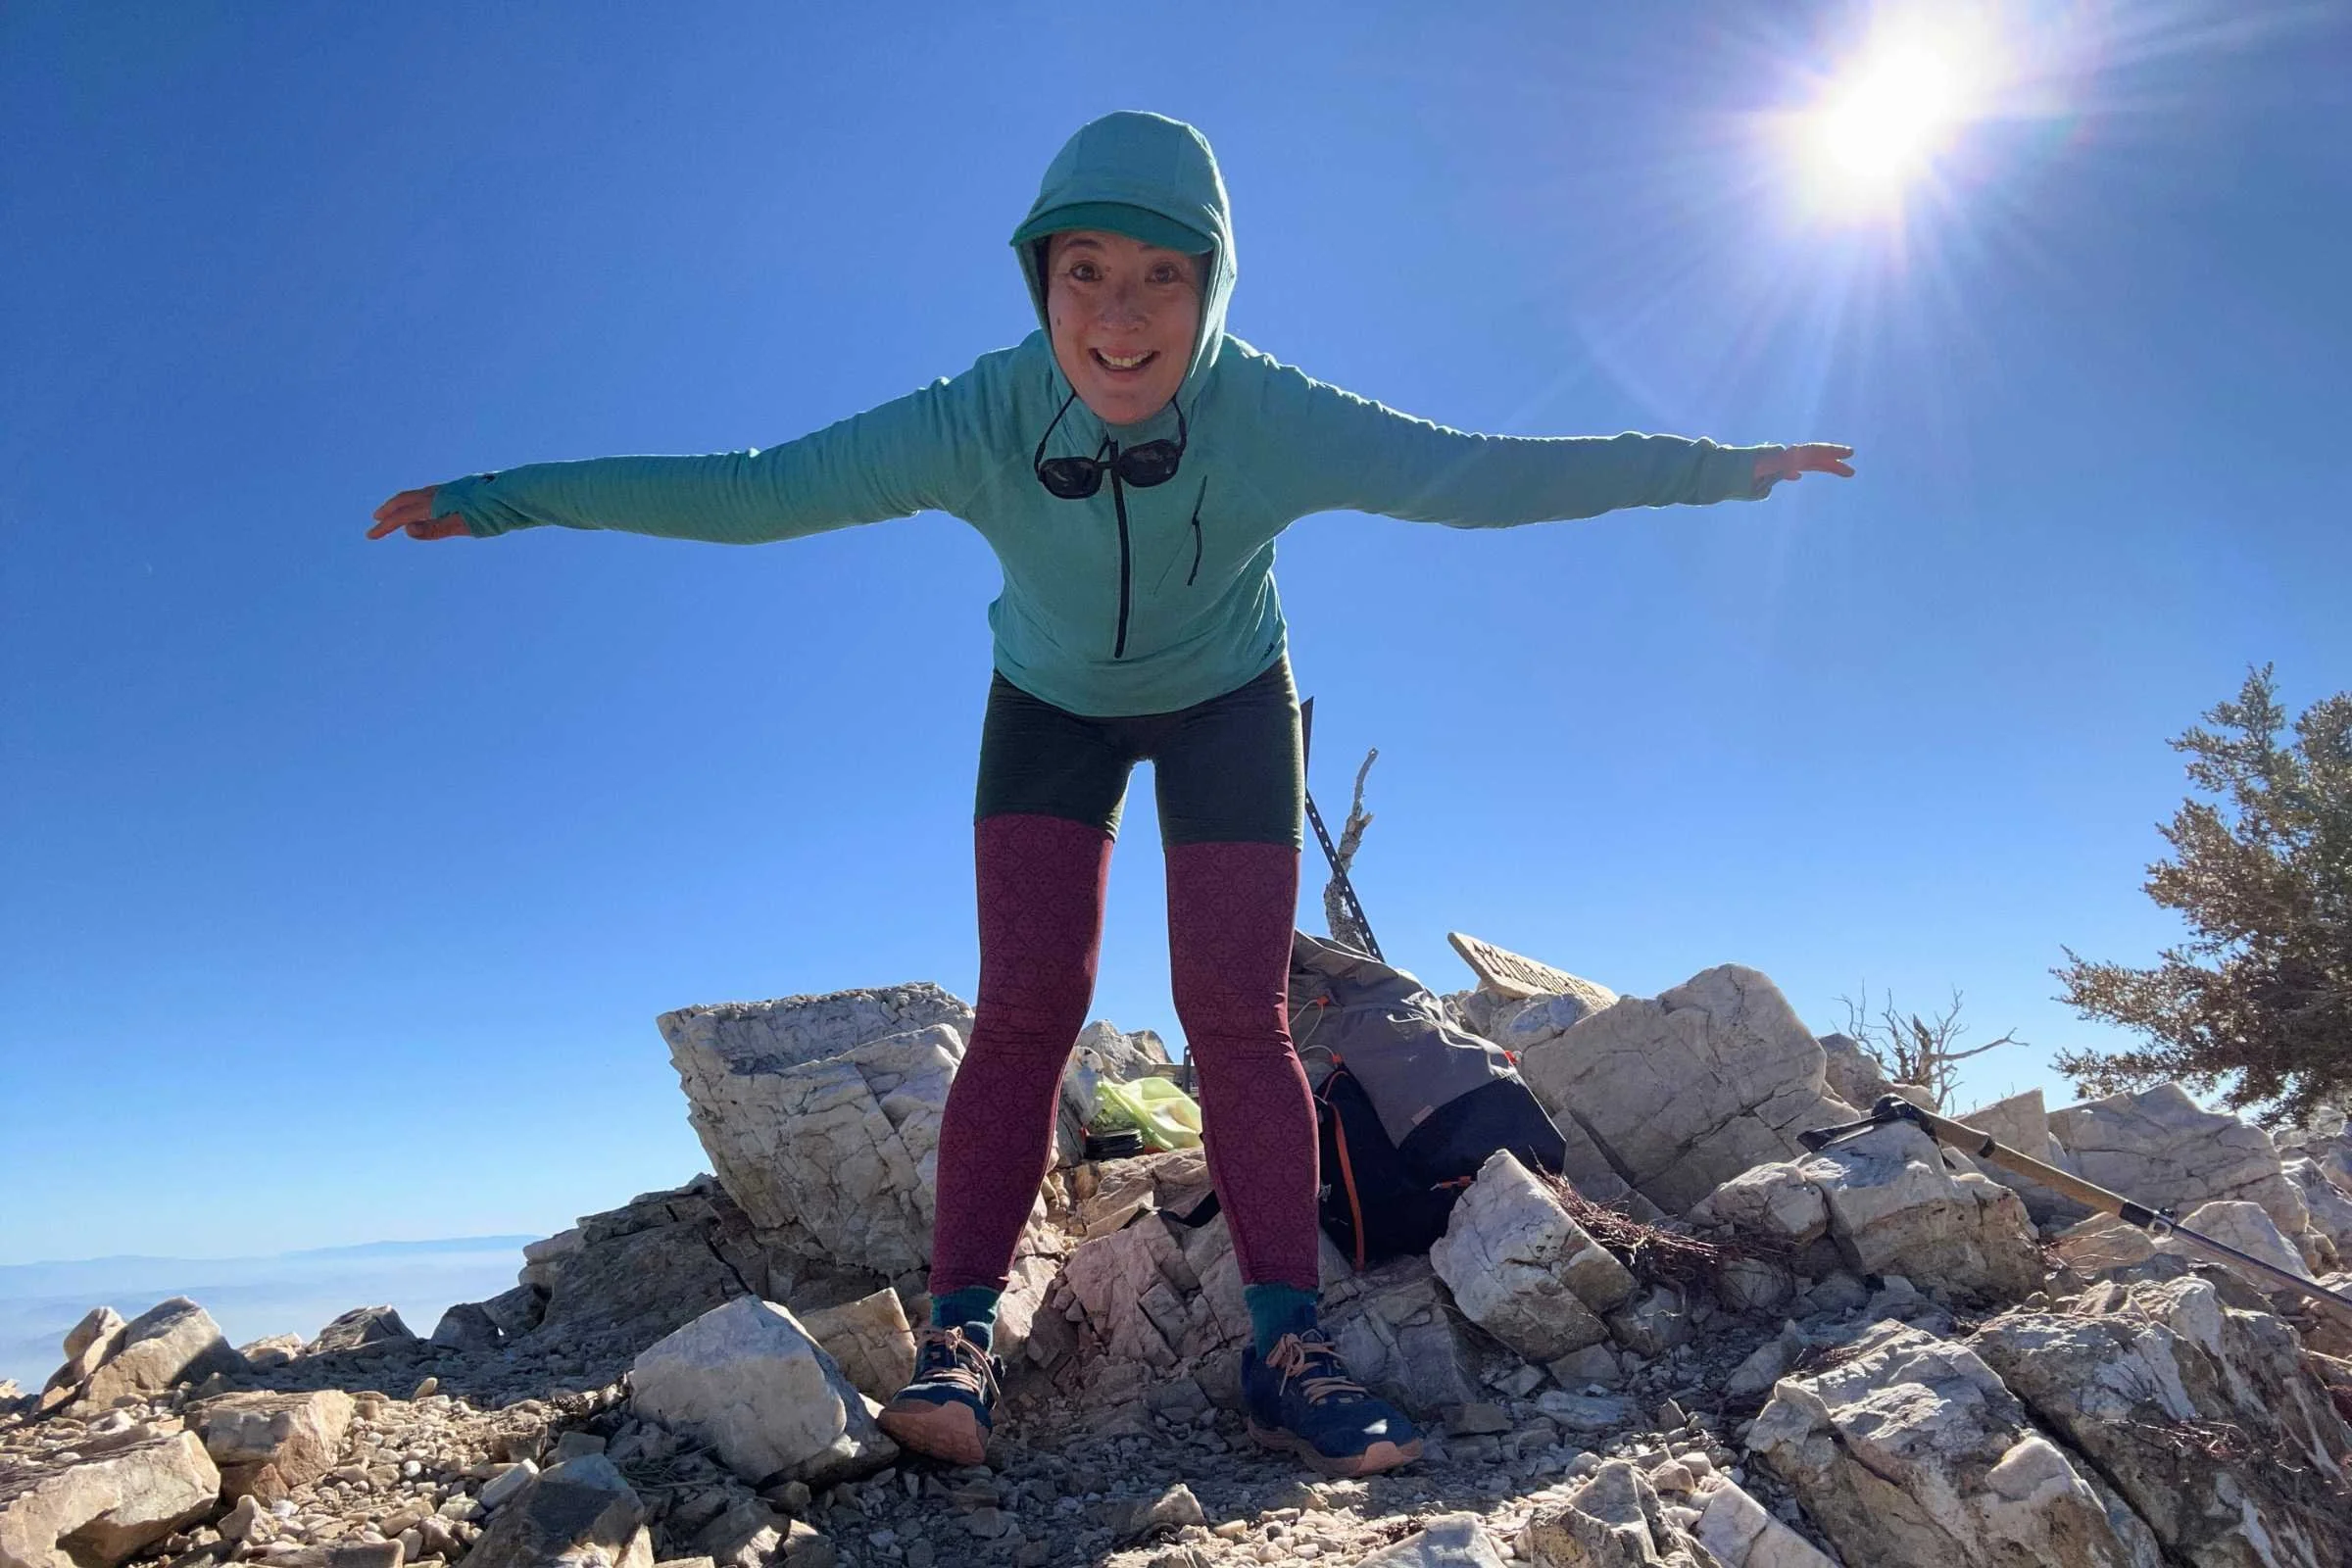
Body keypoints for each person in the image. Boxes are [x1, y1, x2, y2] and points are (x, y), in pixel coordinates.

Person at [371, 110, 1854, 1478]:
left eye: (1162, 275)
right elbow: (759, 490)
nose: (1121, 314)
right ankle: (959, 1344)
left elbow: (1477, 473)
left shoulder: (1272, 414)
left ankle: (1289, 1347)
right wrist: (506, 497)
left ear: (1213, 290)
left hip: (1227, 705)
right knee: (1026, 1009)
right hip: (1052, 710)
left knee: (1236, 1013)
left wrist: (1721, 471)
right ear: (1041, 282)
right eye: (1086, 272)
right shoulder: (979, 415)